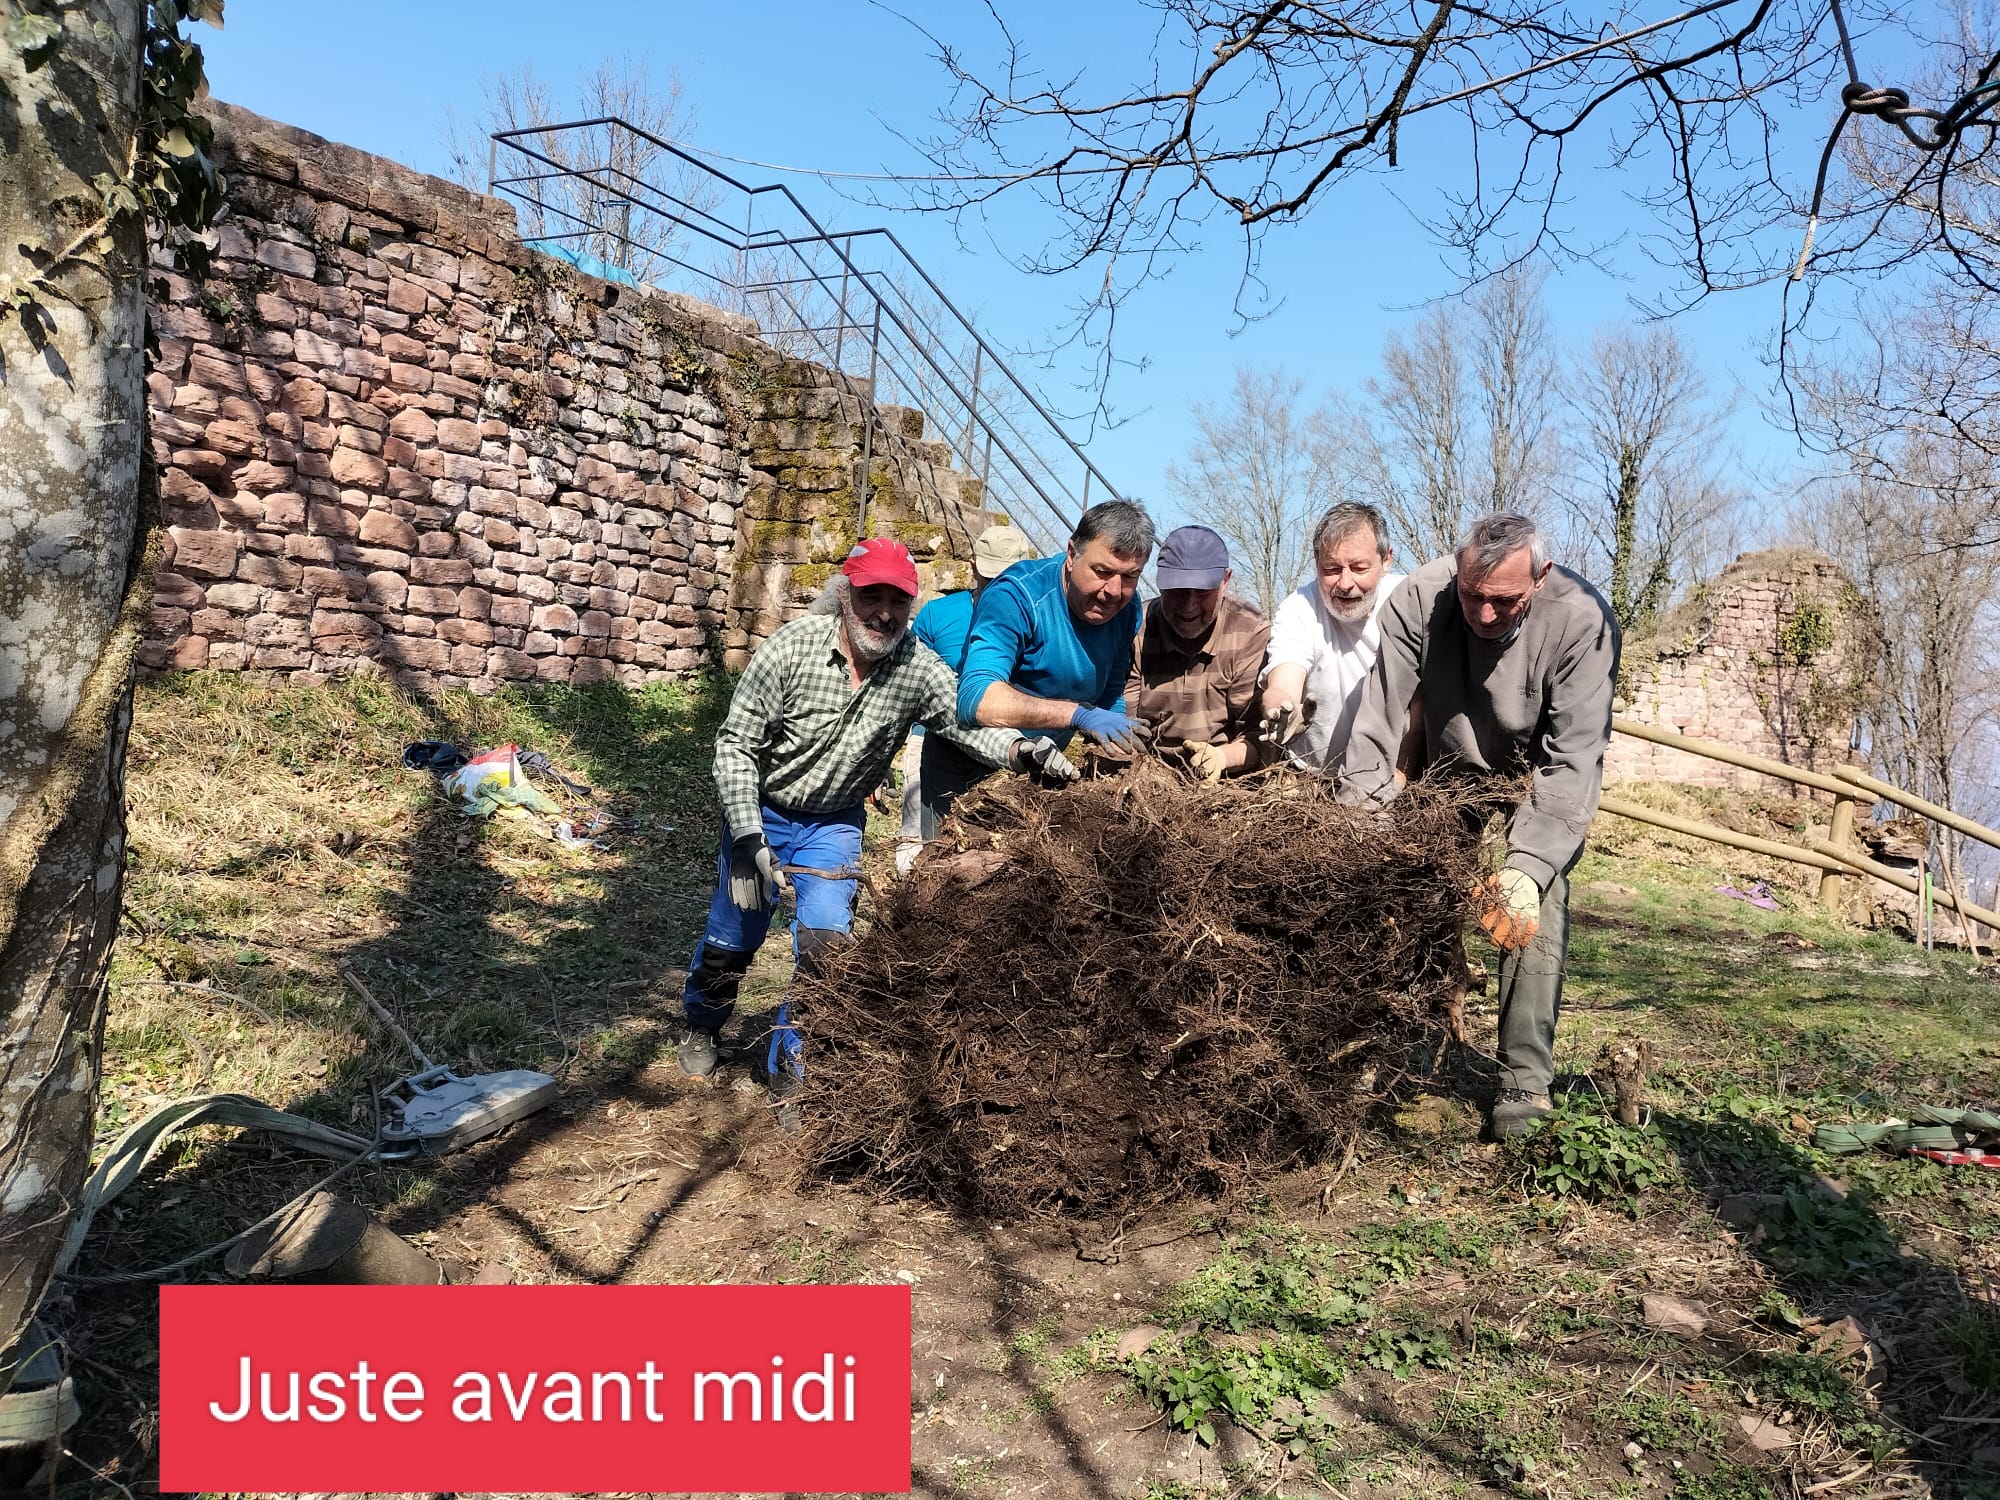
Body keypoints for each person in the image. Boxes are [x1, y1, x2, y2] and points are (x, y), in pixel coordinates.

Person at [680, 537, 1076, 1128]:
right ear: (846, 594)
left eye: (898, 600)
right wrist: (746, 837)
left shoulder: (916, 666)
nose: (884, 613)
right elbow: (736, 745)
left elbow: (964, 721)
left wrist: (1022, 751)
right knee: (735, 933)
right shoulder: (791, 649)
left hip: (834, 822)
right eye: (872, 597)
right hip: (762, 812)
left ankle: (793, 1071)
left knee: (825, 944)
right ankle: (703, 1025)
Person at [1337, 513, 1619, 1140]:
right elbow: (1377, 726)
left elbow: (1573, 762)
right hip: (1446, 767)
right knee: (1415, 887)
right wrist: (1361, 829)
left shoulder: (1583, 622)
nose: (1485, 614)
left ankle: (1523, 1078)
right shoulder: (1419, 598)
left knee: (1535, 902)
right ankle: (1413, 1046)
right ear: (1457, 574)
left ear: (1540, 578)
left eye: (1504, 601)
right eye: (1472, 596)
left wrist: (1527, 868)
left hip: (1534, 776)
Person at [957, 500, 1155, 751]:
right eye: (1103, 572)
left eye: (1130, 576)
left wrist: (1117, 737)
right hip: (974, 759)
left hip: (1045, 761)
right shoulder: (1016, 597)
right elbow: (977, 699)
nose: (1114, 591)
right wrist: (1077, 714)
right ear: (1072, 555)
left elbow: (1110, 694)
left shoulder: (1126, 610)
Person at [899, 524, 1038, 861]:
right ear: (973, 566)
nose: (997, 590)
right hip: (936, 741)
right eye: (990, 579)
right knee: (922, 847)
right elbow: (907, 683)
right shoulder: (938, 614)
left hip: (1005, 747)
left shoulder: (1036, 620)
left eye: (1007, 580)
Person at [1258, 503, 1404, 771]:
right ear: (1316, 563)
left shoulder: (1410, 600)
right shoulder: (1299, 607)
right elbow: (1283, 682)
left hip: (1397, 773)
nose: (1345, 584)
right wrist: (1281, 710)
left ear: (1386, 560)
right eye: (1332, 569)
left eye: (1359, 568)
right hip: (1318, 780)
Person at [1124, 525, 1269, 781]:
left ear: (1225, 580)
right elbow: (1124, 724)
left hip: (1228, 778)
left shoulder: (1249, 633)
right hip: (1146, 773)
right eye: (1177, 591)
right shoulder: (1136, 629)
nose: (1189, 606)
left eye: (1203, 592)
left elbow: (1259, 735)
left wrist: (1221, 759)